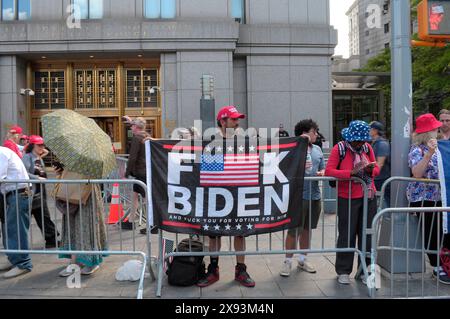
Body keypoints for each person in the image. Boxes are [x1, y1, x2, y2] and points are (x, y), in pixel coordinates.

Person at [196, 105, 255, 288]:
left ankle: (241, 269)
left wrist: (299, 142)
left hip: (238, 195)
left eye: (238, 119)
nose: (237, 123)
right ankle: (213, 269)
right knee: (214, 234)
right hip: (217, 196)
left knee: (240, 232)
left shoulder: (245, 141)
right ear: (222, 121)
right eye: (233, 119)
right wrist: (152, 143)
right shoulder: (209, 142)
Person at [325, 120, 379, 285]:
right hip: (347, 197)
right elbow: (329, 171)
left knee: (367, 235)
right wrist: (351, 173)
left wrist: (370, 169)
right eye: (357, 140)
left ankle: (365, 271)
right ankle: (343, 271)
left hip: (368, 195)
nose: (360, 143)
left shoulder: (367, 148)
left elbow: (376, 169)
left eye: (363, 140)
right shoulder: (339, 148)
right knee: (347, 234)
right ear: (350, 138)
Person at [407, 113, 450, 284]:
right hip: (425, 197)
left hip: (442, 197)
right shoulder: (416, 150)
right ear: (428, 132)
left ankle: (444, 262)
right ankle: (436, 265)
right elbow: (417, 173)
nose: (438, 128)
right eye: (435, 127)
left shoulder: (442, 146)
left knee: (443, 230)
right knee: (432, 232)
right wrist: (429, 153)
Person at [280, 119, 325, 277]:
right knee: (294, 231)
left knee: (307, 230)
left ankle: (303, 259)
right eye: (314, 131)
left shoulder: (318, 149)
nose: (317, 134)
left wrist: (322, 172)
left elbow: (322, 168)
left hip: (314, 196)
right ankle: (287, 262)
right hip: (297, 197)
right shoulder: (293, 148)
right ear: (306, 132)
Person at [54, 164, 108, 277]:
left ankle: (90, 261)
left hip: (88, 192)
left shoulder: (93, 155)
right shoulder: (72, 154)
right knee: (72, 226)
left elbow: (99, 173)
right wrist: (62, 170)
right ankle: (75, 261)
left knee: (87, 225)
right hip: (72, 190)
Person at [0, 146, 33, 279]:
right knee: (10, 229)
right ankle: (14, 259)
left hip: (18, 194)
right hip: (14, 194)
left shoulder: (1, 153)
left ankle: (22, 264)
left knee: (16, 230)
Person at [22, 135, 59, 248]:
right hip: (31, 192)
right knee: (34, 217)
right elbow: (24, 173)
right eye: (39, 145)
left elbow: (45, 152)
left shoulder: (38, 157)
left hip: (39, 191)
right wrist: (37, 178)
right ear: (32, 145)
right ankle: (50, 238)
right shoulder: (27, 157)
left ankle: (51, 238)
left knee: (43, 215)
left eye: (42, 144)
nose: (41, 147)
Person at [123, 117, 150, 230]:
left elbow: (132, 157)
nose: (131, 127)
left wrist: (126, 173)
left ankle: (151, 224)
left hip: (140, 172)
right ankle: (131, 220)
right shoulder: (146, 137)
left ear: (137, 127)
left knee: (146, 199)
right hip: (145, 171)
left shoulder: (137, 138)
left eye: (133, 125)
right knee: (135, 196)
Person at [369, 121, 391, 206]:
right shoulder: (375, 143)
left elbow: (380, 164)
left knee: (384, 203)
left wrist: (369, 175)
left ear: (375, 131)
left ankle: (387, 218)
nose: (368, 131)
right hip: (378, 178)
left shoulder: (382, 144)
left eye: (369, 129)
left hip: (381, 179)